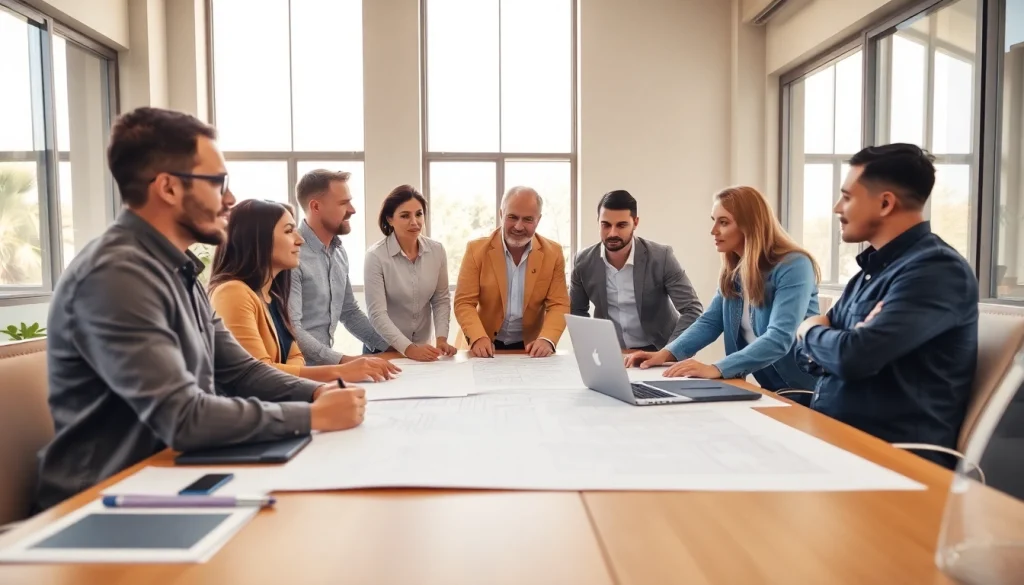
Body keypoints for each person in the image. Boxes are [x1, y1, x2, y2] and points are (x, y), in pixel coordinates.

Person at [35, 107, 367, 512]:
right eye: (217, 182)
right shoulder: (116, 275)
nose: (228, 199)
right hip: (104, 502)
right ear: (169, 188)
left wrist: (319, 391)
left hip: (174, 476)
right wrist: (311, 416)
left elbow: (241, 370)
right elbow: (184, 417)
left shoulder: (177, 269)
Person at [795, 143, 978, 467]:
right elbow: (809, 359)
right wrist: (837, 345)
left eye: (847, 197)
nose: (838, 207)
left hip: (890, 459)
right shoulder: (869, 274)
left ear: (884, 203)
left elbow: (852, 358)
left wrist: (809, 329)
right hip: (835, 443)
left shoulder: (936, 270)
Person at [625, 186, 821, 393]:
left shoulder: (794, 266)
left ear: (750, 226)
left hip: (808, 392)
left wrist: (716, 368)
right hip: (772, 391)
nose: (714, 231)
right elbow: (710, 321)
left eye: (724, 222)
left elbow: (780, 337)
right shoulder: (734, 272)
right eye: (714, 221)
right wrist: (664, 354)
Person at [208, 199, 399, 382]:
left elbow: (296, 356)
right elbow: (256, 373)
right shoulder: (233, 293)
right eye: (289, 231)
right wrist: (340, 370)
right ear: (257, 239)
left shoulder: (273, 296)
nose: (299, 240)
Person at [289, 169, 398, 371]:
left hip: (326, 368)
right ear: (316, 206)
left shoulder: (338, 252)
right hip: (298, 371)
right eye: (343, 203)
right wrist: (345, 361)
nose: (352, 209)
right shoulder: (291, 254)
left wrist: (395, 348)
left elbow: (349, 312)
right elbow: (293, 329)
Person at [570, 189, 703, 350]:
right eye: (606, 225)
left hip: (659, 349)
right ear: (598, 221)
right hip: (612, 352)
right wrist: (591, 350)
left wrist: (670, 352)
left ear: (636, 222)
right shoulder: (583, 261)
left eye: (621, 225)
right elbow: (577, 312)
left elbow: (692, 310)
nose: (612, 233)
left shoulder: (661, 257)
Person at [454, 186, 571, 358]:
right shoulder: (475, 250)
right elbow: (464, 302)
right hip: (483, 345)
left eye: (528, 219)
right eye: (512, 217)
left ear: (538, 220)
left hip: (529, 348)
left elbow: (559, 304)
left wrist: (547, 339)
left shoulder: (553, 253)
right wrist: (478, 338)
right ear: (501, 214)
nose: (518, 226)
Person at [364, 185, 456, 362]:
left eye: (419, 214)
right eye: (405, 216)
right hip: (385, 349)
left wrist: (442, 338)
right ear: (390, 219)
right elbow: (377, 314)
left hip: (422, 348)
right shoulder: (375, 256)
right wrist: (408, 349)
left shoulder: (437, 251)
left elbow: (440, 299)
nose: (414, 222)